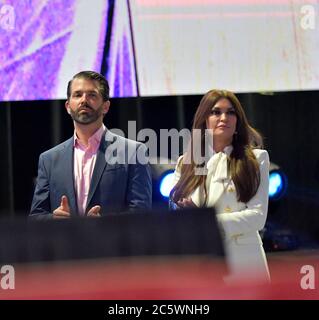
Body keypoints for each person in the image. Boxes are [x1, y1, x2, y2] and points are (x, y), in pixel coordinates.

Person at [170, 89, 270, 283]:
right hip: (199, 263)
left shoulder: (257, 159)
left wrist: (206, 220)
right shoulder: (186, 162)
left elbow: (258, 218)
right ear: (204, 119)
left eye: (231, 112)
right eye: (216, 112)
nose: (224, 117)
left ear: (238, 121)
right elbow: (175, 212)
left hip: (243, 266)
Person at [30, 71, 152, 219]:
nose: (84, 100)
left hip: (113, 242)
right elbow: (37, 215)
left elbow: (141, 213)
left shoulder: (133, 152)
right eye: (77, 95)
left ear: (106, 106)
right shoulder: (49, 159)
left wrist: (104, 225)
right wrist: (53, 219)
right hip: (65, 241)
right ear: (68, 106)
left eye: (92, 95)